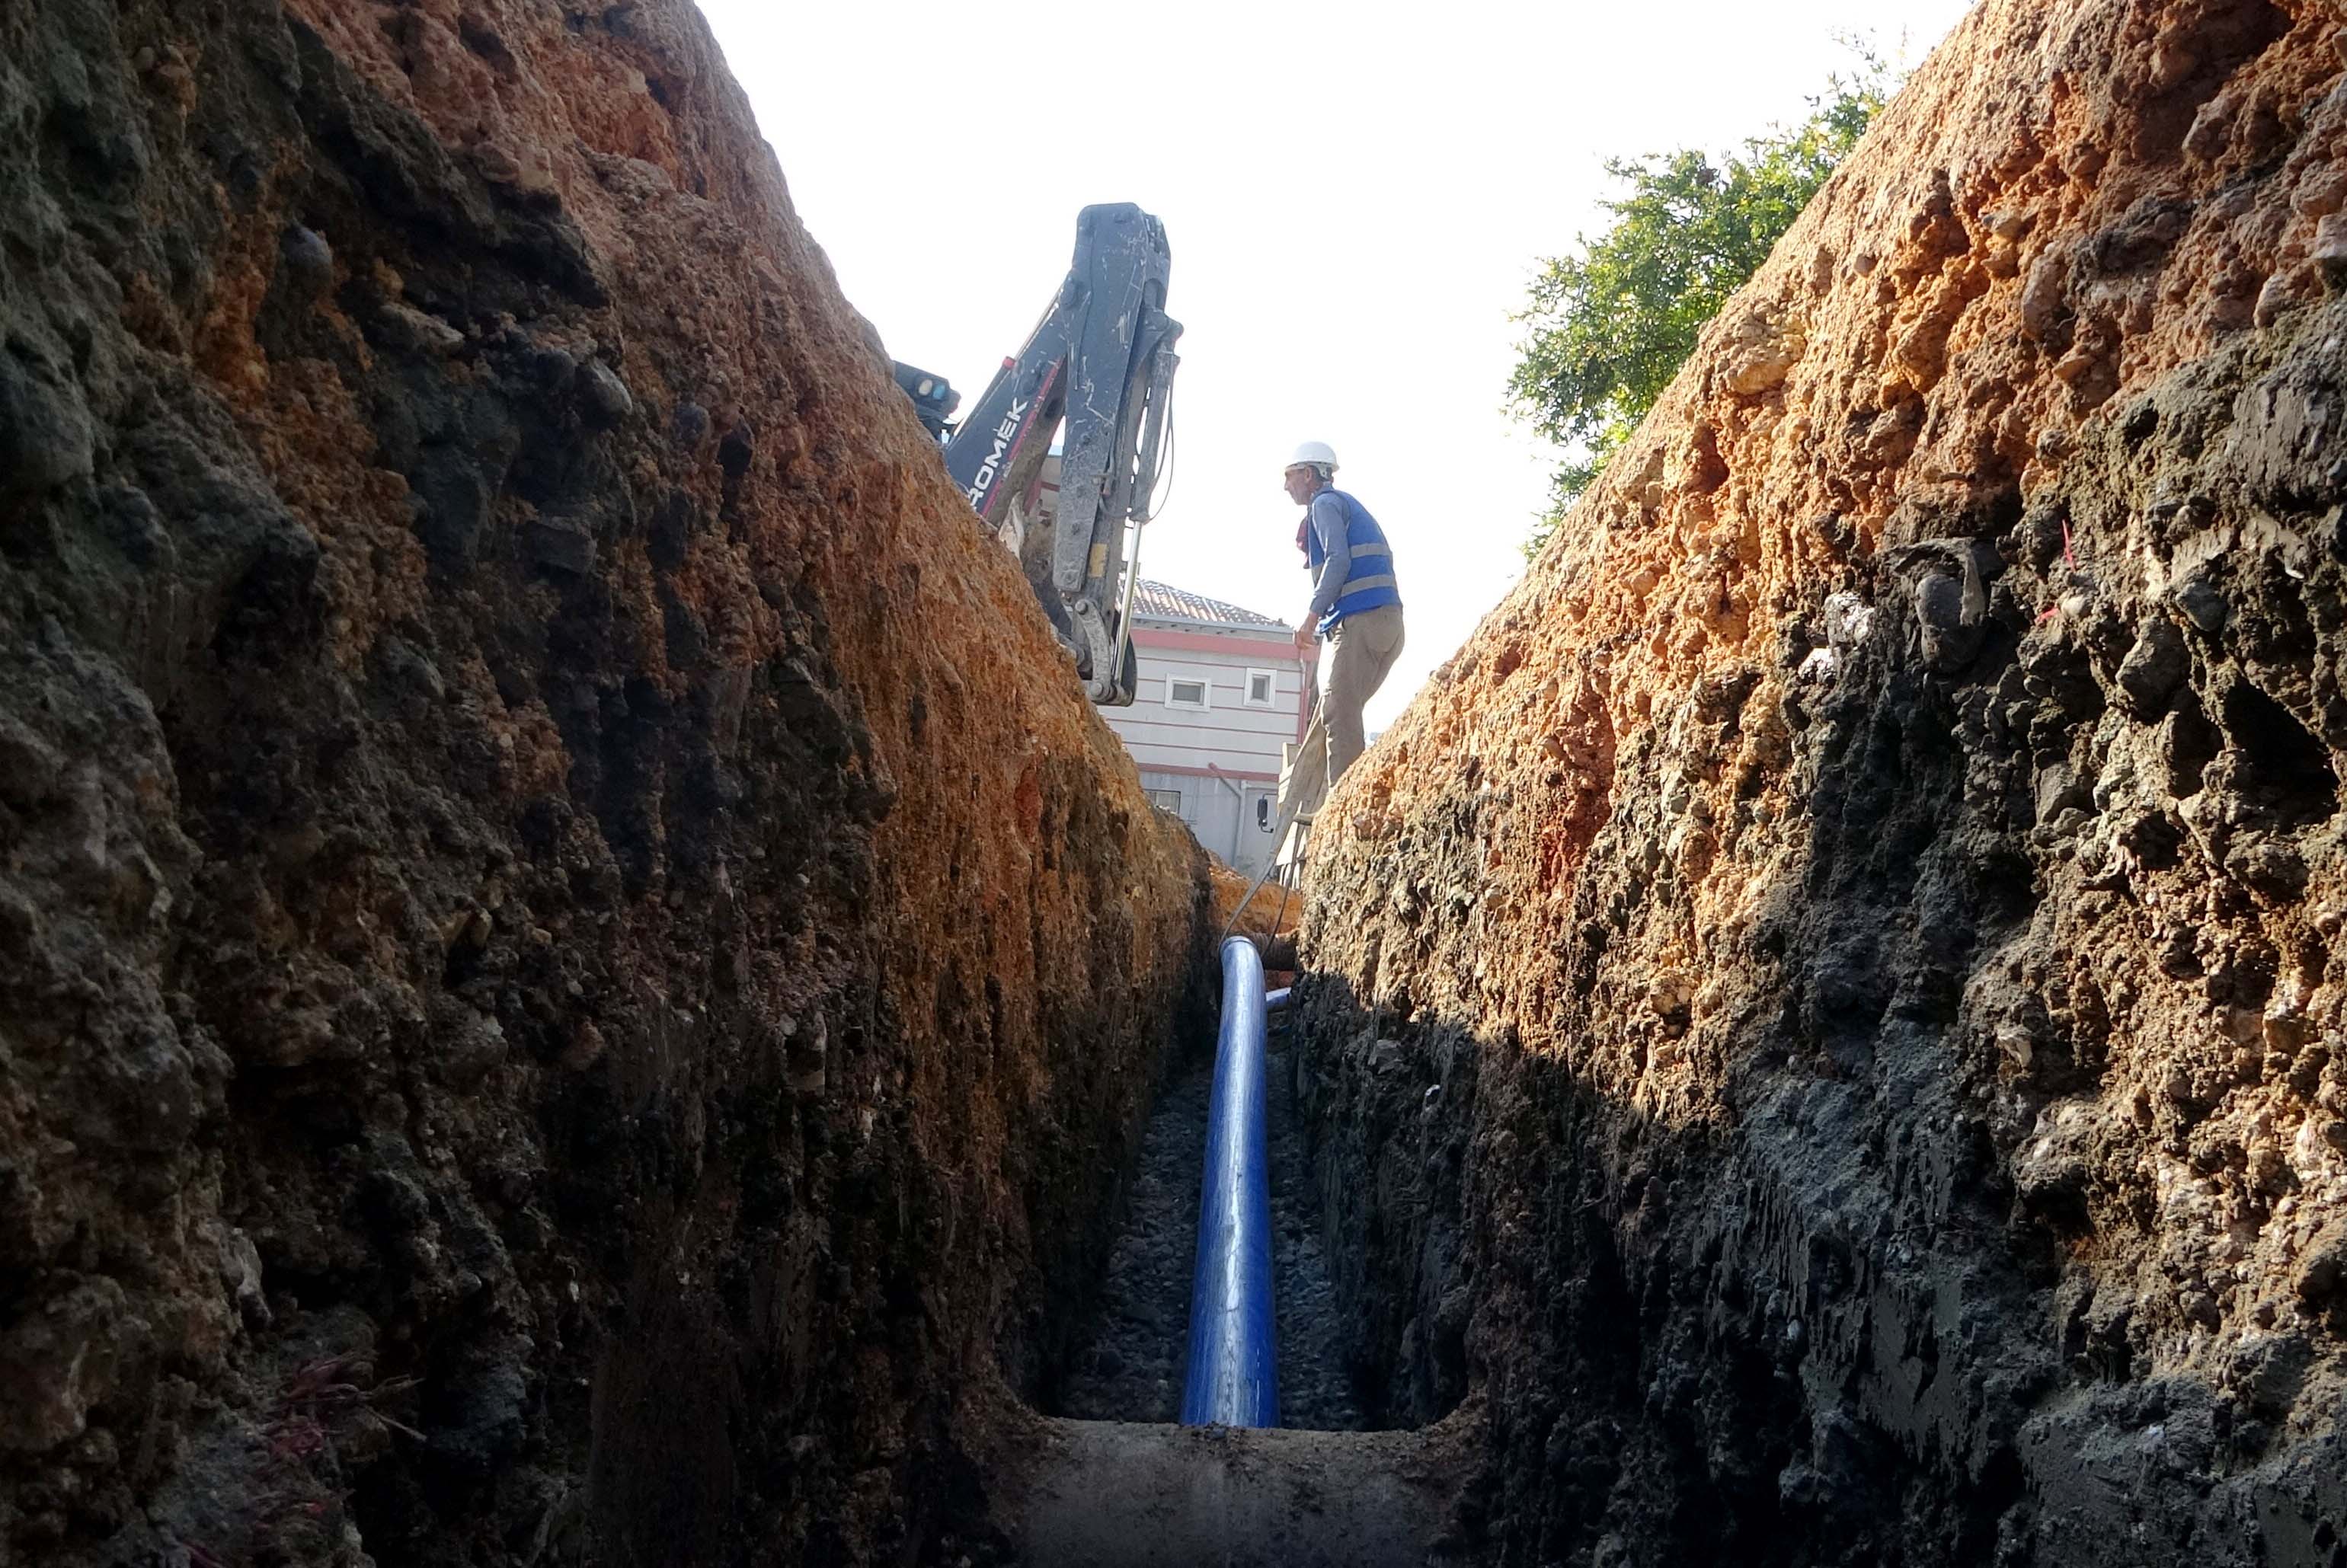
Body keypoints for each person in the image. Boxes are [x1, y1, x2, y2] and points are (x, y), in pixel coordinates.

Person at [1284, 441, 1404, 788]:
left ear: (1309, 474)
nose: (1285, 485)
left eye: (1289, 476)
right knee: (1346, 715)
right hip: (1389, 626)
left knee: (1337, 713)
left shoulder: (1323, 505)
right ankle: (1359, 793)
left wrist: (1311, 619)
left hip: (1361, 623)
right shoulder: (1346, 505)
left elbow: (1339, 560)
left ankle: (1343, 806)